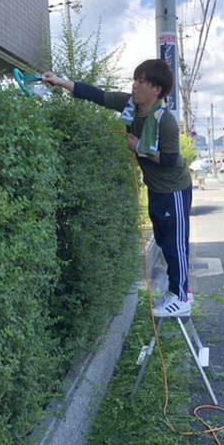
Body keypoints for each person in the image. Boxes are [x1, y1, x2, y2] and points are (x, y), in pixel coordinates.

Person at [42, 59, 192, 318]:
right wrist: (58, 81)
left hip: (174, 189)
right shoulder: (131, 105)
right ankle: (176, 291)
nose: (135, 85)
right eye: (135, 80)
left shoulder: (165, 121)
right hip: (156, 189)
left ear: (156, 90)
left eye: (141, 81)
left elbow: (170, 160)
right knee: (164, 241)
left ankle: (181, 297)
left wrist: (139, 147)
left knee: (175, 244)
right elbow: (97, 95)